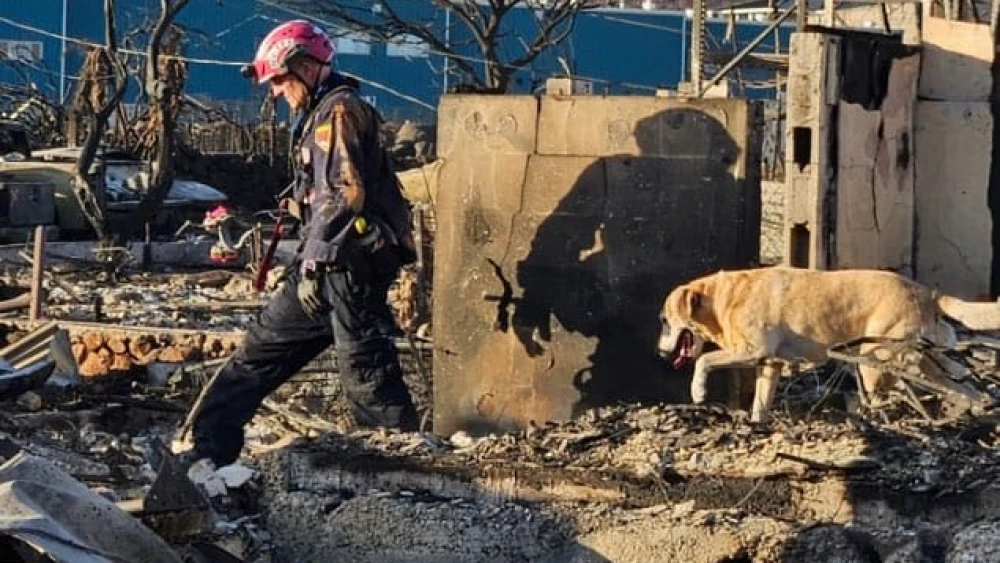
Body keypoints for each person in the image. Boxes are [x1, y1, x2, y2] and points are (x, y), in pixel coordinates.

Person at [181, 20, 420, 470]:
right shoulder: (322, 113)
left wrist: (312, 264)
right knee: (256, 356)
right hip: (324, 269)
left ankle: (403, 474)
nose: (275, 93)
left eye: (280, 81)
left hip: (349, 269)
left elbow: (343, 194)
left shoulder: (339, 113)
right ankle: (207, 458)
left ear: (306, 67)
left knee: (366, 375)